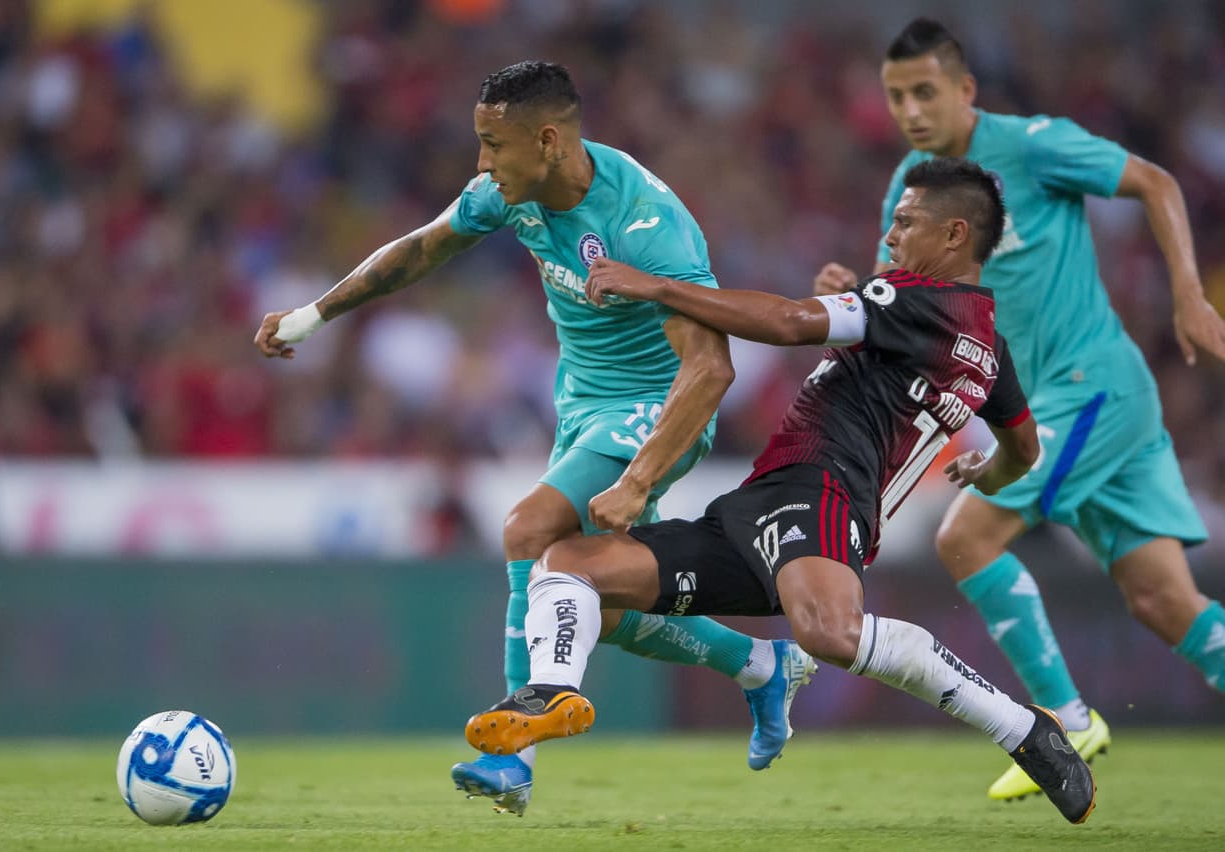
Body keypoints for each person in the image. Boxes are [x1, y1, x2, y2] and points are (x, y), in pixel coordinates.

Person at [253, 61, 814, 816]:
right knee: (593, 607)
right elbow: (420, 249)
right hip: (582, 407)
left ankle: (514, 755)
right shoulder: (508, 196)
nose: (482, 163)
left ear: (547, 140)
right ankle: (759, 664)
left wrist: (640, 479)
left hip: (660, 406)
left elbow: (710, 370)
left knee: (529, 528)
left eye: (494, 145)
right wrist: (314, 315)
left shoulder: (645, 226)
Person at [463, 157, 1097, 825]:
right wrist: (985, 473)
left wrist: (656, 287)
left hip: (822, 494)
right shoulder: (984, 343)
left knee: (830, 631)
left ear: (955, 236)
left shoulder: (917, 302)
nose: (890, 238)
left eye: (906, 223)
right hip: (761, 508)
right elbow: (1022, 449)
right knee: (568, 564)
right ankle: (552, 695)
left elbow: (792, 321)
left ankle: (1025, 730)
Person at [813, 17, 1225, 801]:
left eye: (925, 91)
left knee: (965, 534)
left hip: (1090, 388)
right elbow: (900, 293)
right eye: (897, 95)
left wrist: (1190, 297)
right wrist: (849, 293)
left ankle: (1065, 720)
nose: (910, 109)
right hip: (1056, 405)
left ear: (966, 90)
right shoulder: (913, 180)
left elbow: (1156, 183)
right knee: (1164, 600)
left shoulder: (1034, 145)